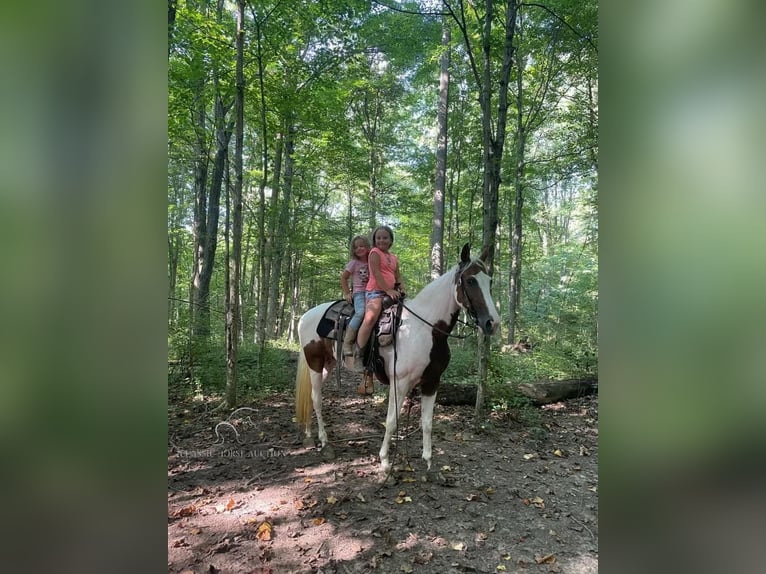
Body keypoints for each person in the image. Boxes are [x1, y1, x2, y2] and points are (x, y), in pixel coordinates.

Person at [356, 225, 405, 394]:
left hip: (392, 294)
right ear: (375, 240)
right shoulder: (374, 253)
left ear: (391, 240)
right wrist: (388, 290)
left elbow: (397, 275)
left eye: (385, 238)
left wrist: (401, 287)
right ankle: (359, 352)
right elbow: (376, 273)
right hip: (375, 292)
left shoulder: (393, 257)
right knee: (370, 319)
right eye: (378, 238)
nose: (382, 240)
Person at [340, 234, 371, 362]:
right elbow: (343, 277)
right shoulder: (353, 263)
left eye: (362, 246)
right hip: (359, 293)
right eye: (356, 247)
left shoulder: (371, 261)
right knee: (361, 313)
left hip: (372, 292)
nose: (359, 249)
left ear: (367, 247)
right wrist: (347, 293)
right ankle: (348, 341)